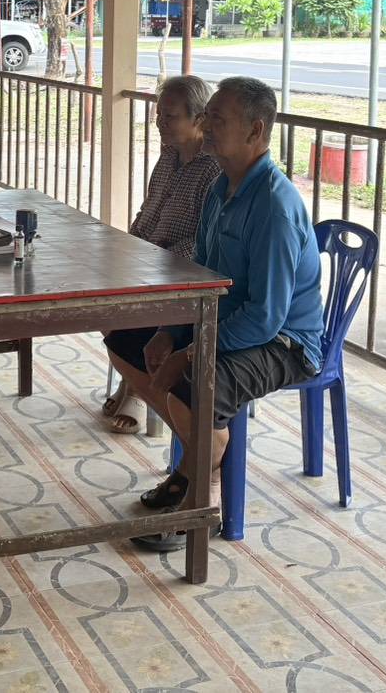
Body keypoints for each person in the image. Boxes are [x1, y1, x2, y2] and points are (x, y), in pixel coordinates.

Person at [109, 76, 324, 551]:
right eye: (207, 117)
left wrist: (190, 352)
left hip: (284, 343)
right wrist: (169, 332)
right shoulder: (220, 188)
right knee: (125, 340)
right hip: (225, 321)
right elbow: (200, 277)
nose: (206, 126)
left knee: (197, 380)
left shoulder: (274, 205)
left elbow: (266, 318)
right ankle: (198, 459)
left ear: (255, 131)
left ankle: (198, 497)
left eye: (218, 119)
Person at [101, 74, 219, 434]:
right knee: (96, 296)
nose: (160, 123)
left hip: (181, 270)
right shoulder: (169, 156)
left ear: (199, 119)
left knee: (125, 307)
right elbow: (148, 210)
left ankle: (138, 391)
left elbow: (203, 241)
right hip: (147, 257)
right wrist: (128, 246)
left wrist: (152, 259)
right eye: (158, 115)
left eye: (170, 117)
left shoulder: (212, 169)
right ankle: (131, 380)